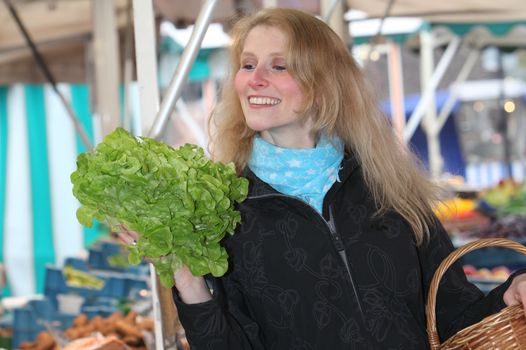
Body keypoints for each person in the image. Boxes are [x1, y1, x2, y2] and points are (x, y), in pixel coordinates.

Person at [128, 7, 526, 349]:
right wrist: (189, 282)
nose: (255, 79)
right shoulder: (225, 213)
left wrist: (508, 295)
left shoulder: (388, 189)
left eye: (278, 66)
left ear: (322, 85)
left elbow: (455, 316)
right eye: (248, 65)